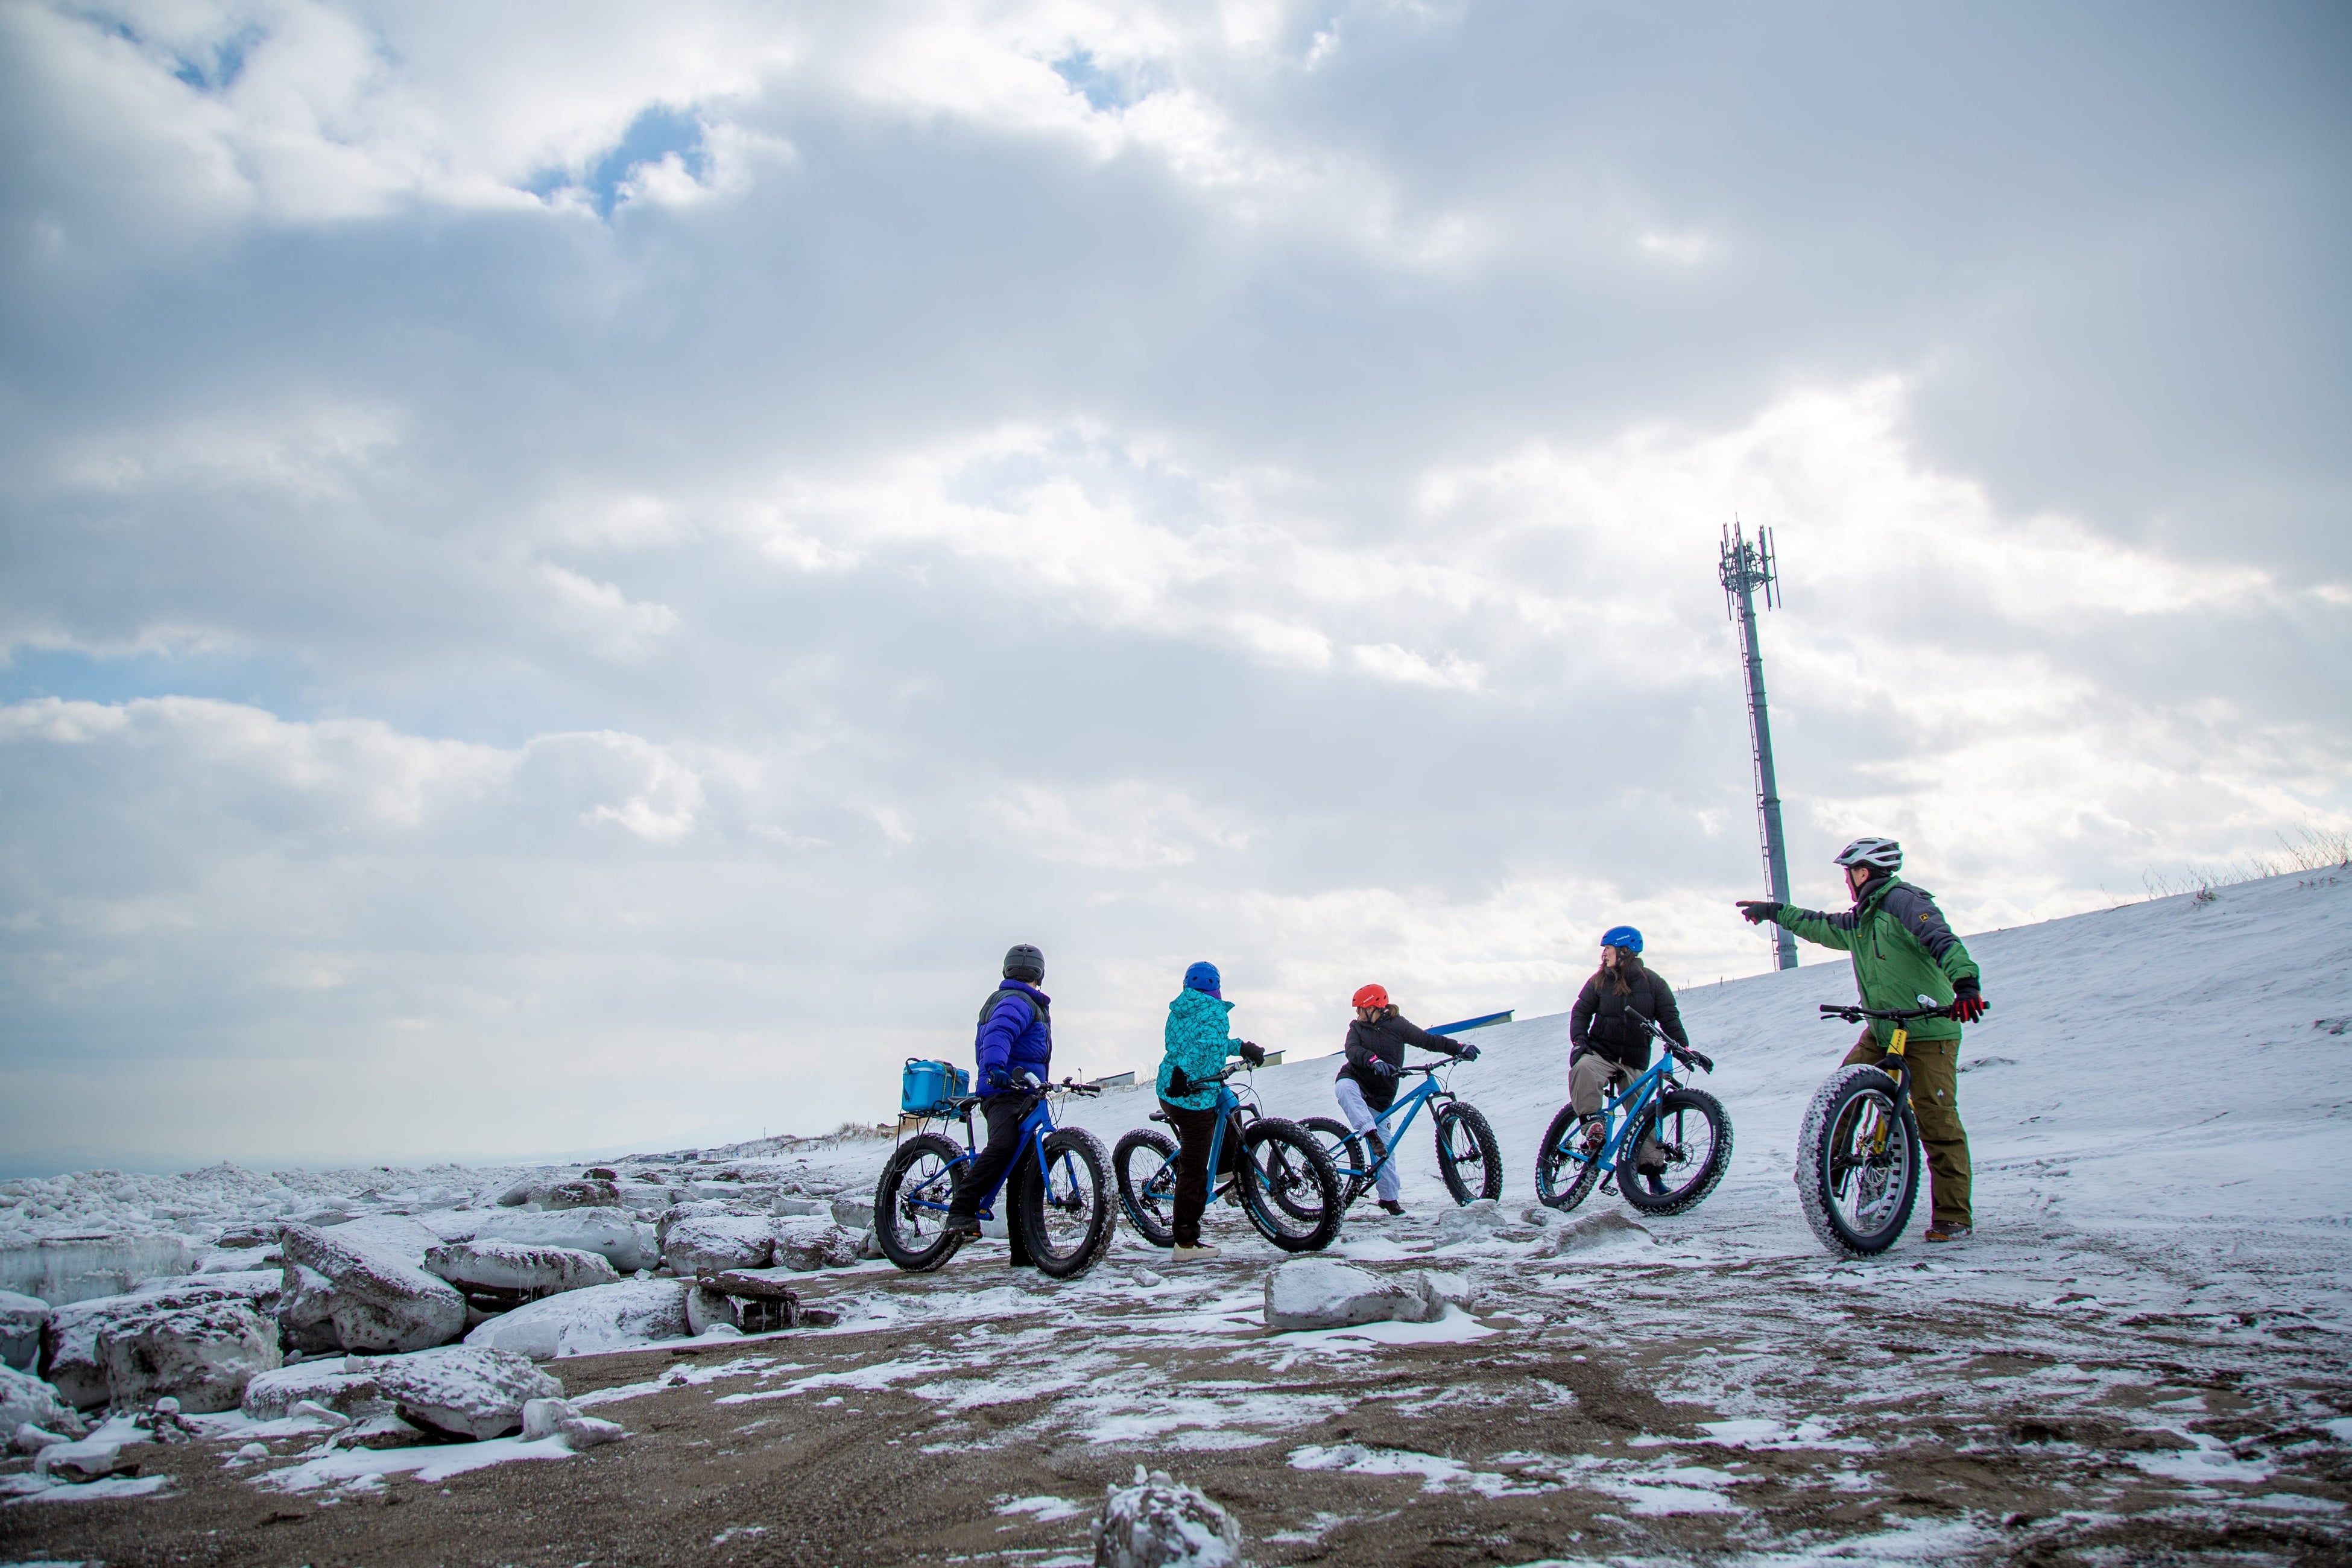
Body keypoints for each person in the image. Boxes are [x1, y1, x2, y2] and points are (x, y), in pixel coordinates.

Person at [1738, 837, 1986, 1243]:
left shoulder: (1905, 903)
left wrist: (1966, 985)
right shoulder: (1862, 918)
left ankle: (1954, 1215)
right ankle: (1826, 1171)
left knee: (1937, 1121)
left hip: (1929, 1031)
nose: (1847, 881)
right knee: (1844, 1090)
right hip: (1885, 1028)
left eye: (1848, 873)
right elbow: (1820, 925)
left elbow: (1943, 940)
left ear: (1864, 872)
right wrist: (1775, 913)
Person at [943, 944, 1054, 1250]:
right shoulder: (1017, 1001)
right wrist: (994, 1069)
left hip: (1024, 1093)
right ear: (1040, 973)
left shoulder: (1026, 1002)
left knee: (1023, 1171)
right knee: (1004, 1146)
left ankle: (1024, 1252)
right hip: (1003, 1092)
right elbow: (998, 1034)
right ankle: (961, 1209)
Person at [1335, 984, 1480, 1217]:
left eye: (1362, 1009)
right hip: (1355, 1079)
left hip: (1381, 1095)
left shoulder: (1398, 1026)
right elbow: (1352, 1051)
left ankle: (1389, 1199)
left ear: (1376, 1007)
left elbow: (1429, 1041)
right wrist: (1372, 1060)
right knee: (1344, 1089)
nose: (1358, 1014)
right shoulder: (1357, 1028)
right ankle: (1369, 1134)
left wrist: (1459, 1048)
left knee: (1386, 1151)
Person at [1154, 961, 1265, 1262]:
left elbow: (1206, 1044)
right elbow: (1202, 1047)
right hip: (1190, 1096)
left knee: (1228, 1101)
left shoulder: (1179, 1008)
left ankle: (1228, 1169)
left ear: (1187, 985)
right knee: (1194, 1169)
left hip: (1174, 1087)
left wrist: (1241, 1046)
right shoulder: (1215, 1011)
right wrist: (1186, 1072)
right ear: (1216, 987)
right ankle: (1185, 1244)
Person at [1567, 927, 1688, 1190]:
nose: (1603, 954)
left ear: (1624, 950)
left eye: (1607, 948)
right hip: (1602, 1053)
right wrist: (1580, 1042)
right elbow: (1580, 1013)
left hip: (1633, 1061)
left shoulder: (1653, 983)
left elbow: (1669, 1017)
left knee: (1642, 1113)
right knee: (1584, 1068)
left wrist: (1683, 1048)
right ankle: (1593, 1127)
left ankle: (1653, 1175)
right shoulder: (1599, 982)